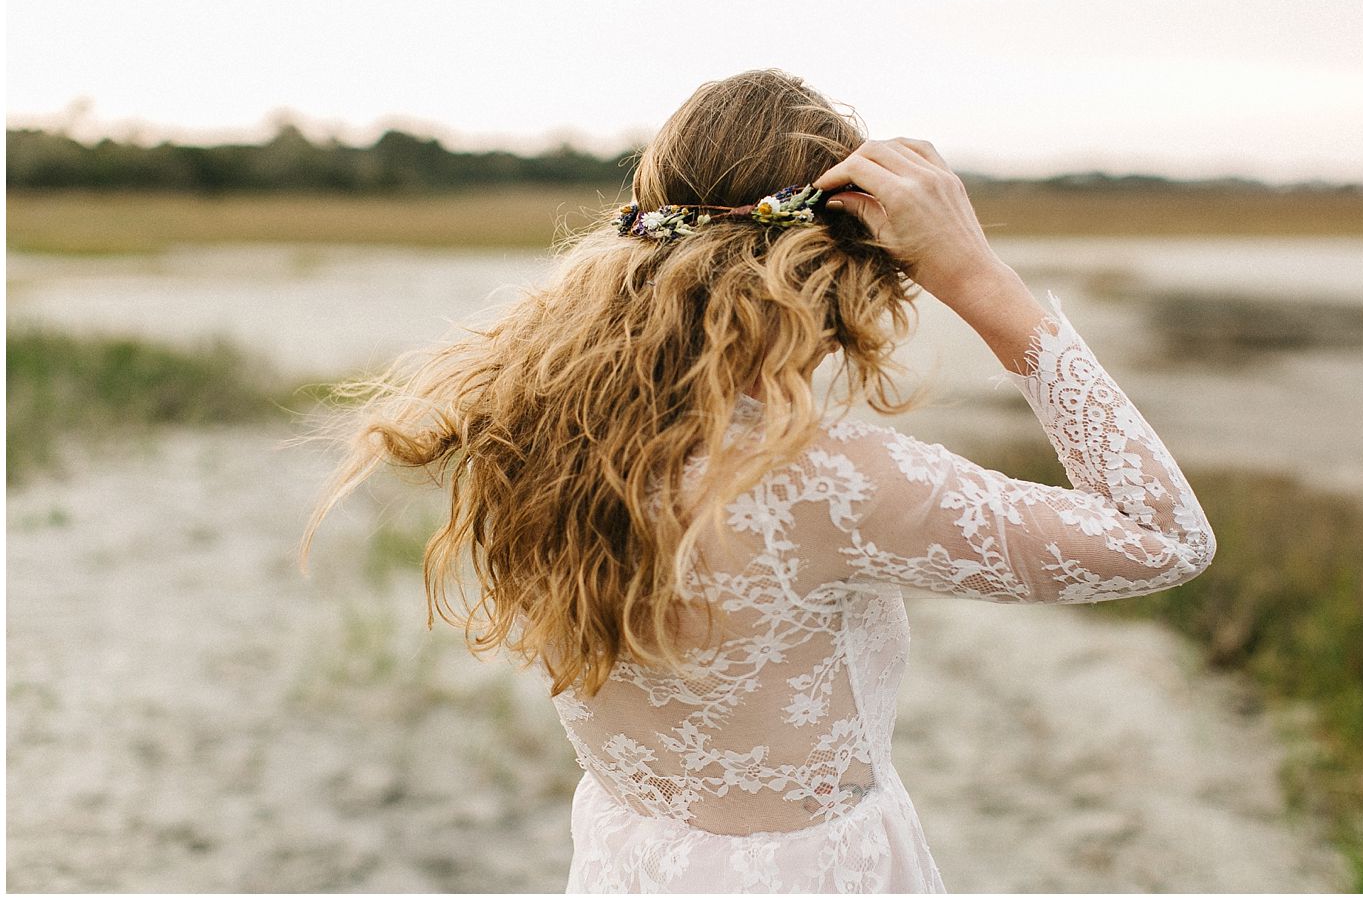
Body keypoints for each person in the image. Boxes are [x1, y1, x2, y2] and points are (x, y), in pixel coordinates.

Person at [298, 68, 1216, 893]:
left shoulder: (536, 422)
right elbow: (1166, 537)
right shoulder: (822, 479)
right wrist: (976, 274)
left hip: (628, 864)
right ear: (836, 268)